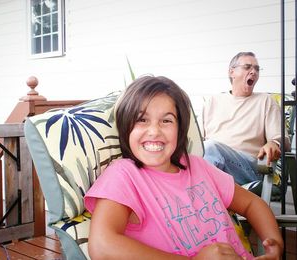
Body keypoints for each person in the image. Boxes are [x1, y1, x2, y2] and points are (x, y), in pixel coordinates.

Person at [84, 75, 283, 259]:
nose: (154, 131)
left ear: (180, 129)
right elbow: (102, 246)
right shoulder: (124, 174)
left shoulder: (197, 166)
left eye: (166, 120)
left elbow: (252, 203)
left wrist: (274, 243)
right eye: (142, 119)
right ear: (126, 126)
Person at [201, 51, 290, 186]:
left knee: (210, 148)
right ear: (232, 72)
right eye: (247, 67)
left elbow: (282, 140)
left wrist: (274, 143)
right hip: (211, 161)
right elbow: (198, 140)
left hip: (248, 168)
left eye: (257, 69)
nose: (253, 72)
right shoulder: (212, 101)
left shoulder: (266, 101)